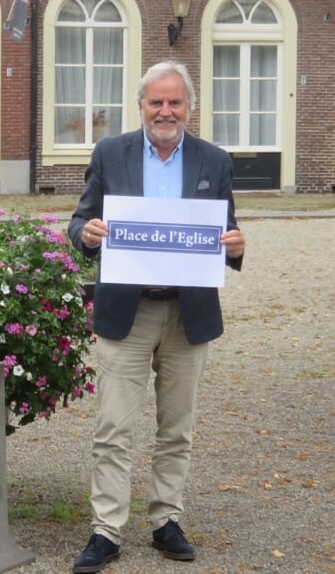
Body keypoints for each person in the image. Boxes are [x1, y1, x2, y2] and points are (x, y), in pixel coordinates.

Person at [68, 60, 246, 573]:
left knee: (177, 429)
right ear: (140, 106)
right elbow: (79, 219)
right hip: (127, 308)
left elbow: (225, 230)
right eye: (156, 102)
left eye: (175, 102)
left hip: (188, 313)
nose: (165, 111)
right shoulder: (110, 153)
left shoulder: (214, 160)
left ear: (189, 107)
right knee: (112, 427)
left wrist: (235, 246)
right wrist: (86, 233)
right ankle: (106, 530)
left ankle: (166, 519)